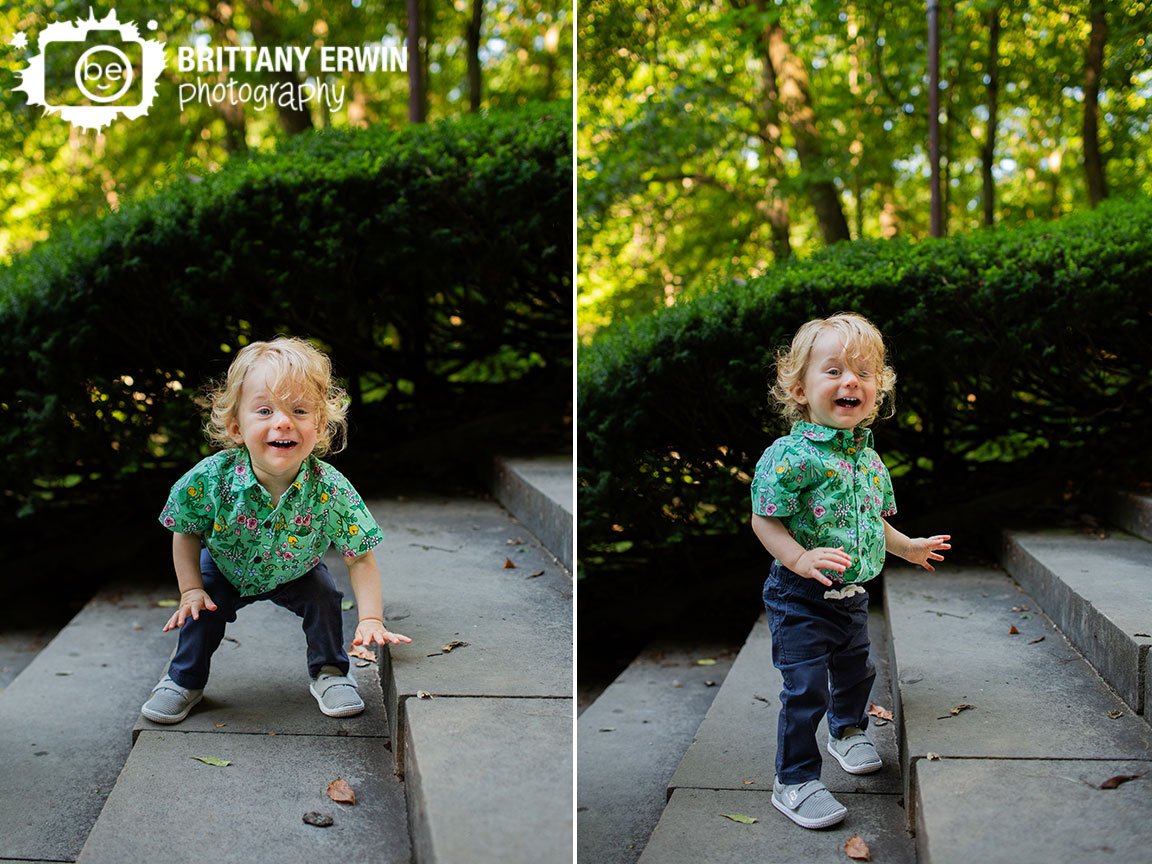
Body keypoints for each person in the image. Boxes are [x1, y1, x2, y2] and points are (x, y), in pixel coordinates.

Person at [141, 336, 411, 724]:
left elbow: (360, 556)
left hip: (296, 569)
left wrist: (370, 618)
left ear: (318, 426)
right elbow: (184, 530)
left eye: (299, 410)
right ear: (236, 428)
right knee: (203, 609)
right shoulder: (211, 479)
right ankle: (183, 680)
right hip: (226, 567)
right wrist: (190, 589)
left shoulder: (330, 488)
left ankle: (330, 672)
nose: (282, 421)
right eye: (265, 410)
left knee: (324, 597)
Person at [750, 313, 950, 829]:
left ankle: (846, 731)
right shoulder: (790, 457)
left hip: (852, 596)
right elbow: (763, 519)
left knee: (856, 670)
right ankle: (793, 779)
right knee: (806, 687)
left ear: (876, 390)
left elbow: (873, 521)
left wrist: (907, 547)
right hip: (799, 595)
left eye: (863, 371)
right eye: (834, 370)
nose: (850, 381)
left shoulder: (868, 460)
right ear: (799, 389)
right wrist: (797, 557)